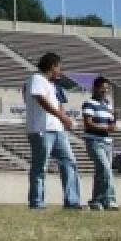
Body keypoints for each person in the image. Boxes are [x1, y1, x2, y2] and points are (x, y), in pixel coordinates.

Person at [23, 52, 83, 209]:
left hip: (57, 130)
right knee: (40, 166)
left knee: (69, 162)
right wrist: (63, 118)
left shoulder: (52, 85)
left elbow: (57, 106)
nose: (60, 71)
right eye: (59, 67)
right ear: (52, 66)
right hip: (41, 130)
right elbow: (42, 100)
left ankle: (72, 201)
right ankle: (37, 201)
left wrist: (66, 120)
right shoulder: (37, 79)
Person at [82, 76, 118, 211]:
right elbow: (88, 123)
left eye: (107, 88)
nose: (105, 90)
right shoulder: (89, 103)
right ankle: (110, 199)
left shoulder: (108, 105)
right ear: (96, 88)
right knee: (105, 169)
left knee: (101, 172)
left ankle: (96, 201)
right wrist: (106, 128)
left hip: (107, 142)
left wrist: (114, 122)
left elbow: (111, 124)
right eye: (103, 87)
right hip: (94, 141)